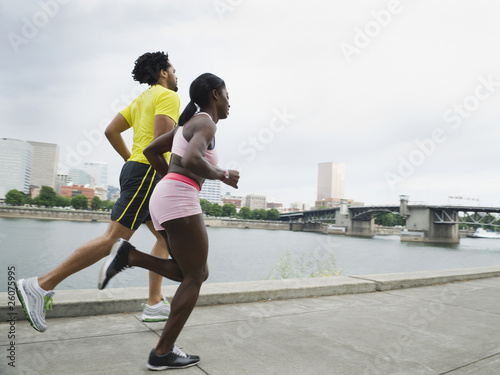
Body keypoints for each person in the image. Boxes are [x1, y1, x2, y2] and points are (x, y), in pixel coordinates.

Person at [16, 51, 180, 332]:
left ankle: (154, 303)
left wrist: (130, 159)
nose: (177, 76)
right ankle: (40, 286)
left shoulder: (141, 100)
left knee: (167, 238)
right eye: (174, 70)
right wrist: (167, 176)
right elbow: (161, 144)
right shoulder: (168, 96)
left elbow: (110, 131)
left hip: (138, 171)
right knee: (113, 240)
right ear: (163, 72)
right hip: (148, 174)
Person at [97, 73, 239, 370]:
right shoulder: (205, 123)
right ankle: (162, 352)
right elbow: (192, 160)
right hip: (179, 198)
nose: (230, 102)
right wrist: (223, 175)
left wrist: (170, 180)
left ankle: (130, 255)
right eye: (227, 95)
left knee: (193, 273)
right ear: (214, 95)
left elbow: (151, 151)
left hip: (165, 196)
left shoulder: (186, 125)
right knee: (195, 277)